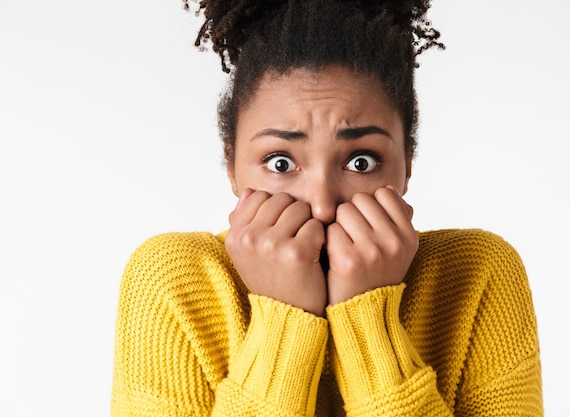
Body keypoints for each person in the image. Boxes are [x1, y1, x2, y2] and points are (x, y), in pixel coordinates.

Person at [110, 0, 543, 415]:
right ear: (232, 167)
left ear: (407, 163)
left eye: (361, 162)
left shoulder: (477, 275)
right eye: (281, 163)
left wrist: (370, 318)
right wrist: (284, 322)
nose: (320, 205)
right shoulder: (172, 282)